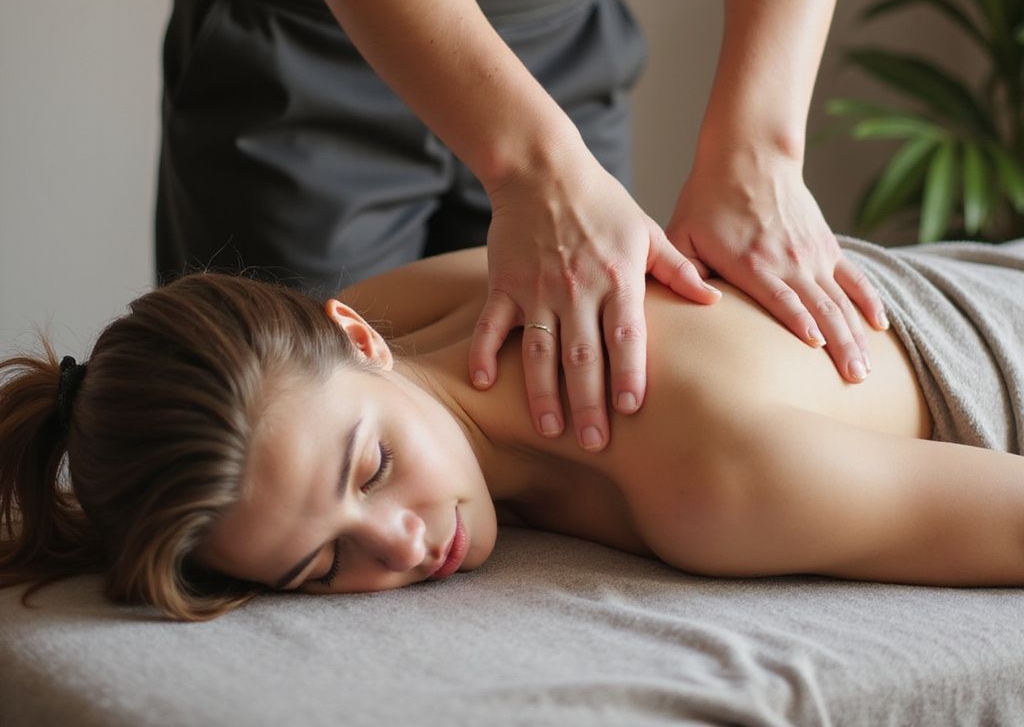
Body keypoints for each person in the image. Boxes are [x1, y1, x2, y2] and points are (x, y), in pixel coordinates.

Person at [156, 0, 886, 453]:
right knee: (298, 458)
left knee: (585, 441)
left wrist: (759, 148)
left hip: (557, 45)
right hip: (305, 53)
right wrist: (538, 167)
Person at [2, 236, 1022, 622]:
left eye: (372, 468)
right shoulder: (384, 322)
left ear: (356, 335)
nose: (399, 542)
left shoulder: (713, 483)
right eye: (321, 567)